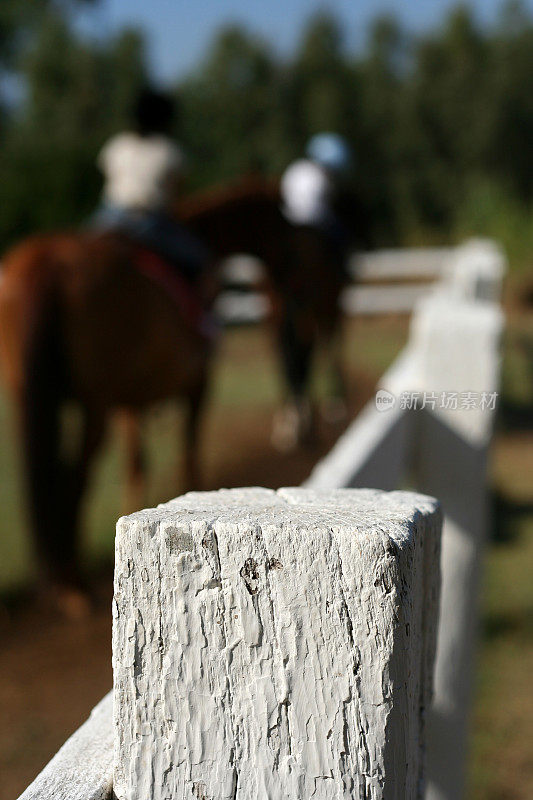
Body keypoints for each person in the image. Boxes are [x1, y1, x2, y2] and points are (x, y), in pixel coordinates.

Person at [92, 86, 209, 285]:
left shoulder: (117, 145)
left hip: (108, 217)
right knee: (201, 260)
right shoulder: (170, 151)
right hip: (150, 223)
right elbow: (176, 202)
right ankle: (195, 313)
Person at [280, 131, 353, 262]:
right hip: (313, 224)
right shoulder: (322, 176)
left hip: (288, 221)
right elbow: (321, 210)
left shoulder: (296, 168)